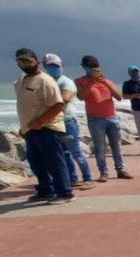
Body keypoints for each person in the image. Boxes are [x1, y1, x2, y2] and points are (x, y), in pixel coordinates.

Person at [13, 48, 75, 204]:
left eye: (27, 60)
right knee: (36, 163)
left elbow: (58, 105)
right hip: (30, 129)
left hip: (47, 128)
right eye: (20, 61)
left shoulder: (45, 81)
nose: (24, 64)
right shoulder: (21, 79)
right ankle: (45, 190)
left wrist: (39, 122)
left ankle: (65, 193)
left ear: (37, 62)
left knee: (54, 162)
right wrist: (24, 127)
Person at [75, 55, 133, 180]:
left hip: (111, 117)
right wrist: (91, 82)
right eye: (90, 67)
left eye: (95, 67)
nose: (93, 69)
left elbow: (118, 97)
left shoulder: (107, 81)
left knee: (116, 146)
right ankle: (103, 172)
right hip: (95, 119)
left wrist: (105, 82)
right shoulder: (80, 81)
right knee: (100, 147)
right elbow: (81, 96)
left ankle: (121, 169)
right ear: (84, 67)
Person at [42, 53, 94, 190]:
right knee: (64, 153)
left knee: (75, 151)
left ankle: (88, 178)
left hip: (67, 121)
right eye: (50, 66)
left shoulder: (66, 82)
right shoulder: (46, 81)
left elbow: (64, 100)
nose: (54, 68)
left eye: (56, 66)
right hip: (53, 123)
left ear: (61, 66)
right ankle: (72, 178)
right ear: (45, 67)